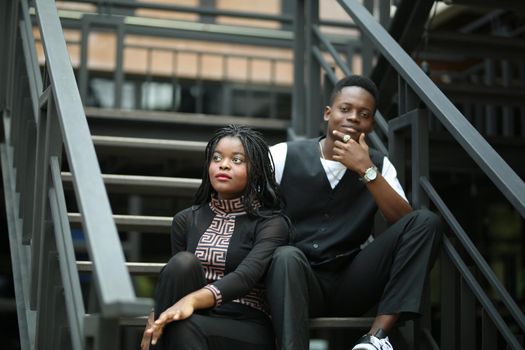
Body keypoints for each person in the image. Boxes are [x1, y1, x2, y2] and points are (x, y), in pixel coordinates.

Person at [266, 75, 442, 350]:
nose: (353, 118)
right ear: (328, 113)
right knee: (285, 256)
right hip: (295, 279)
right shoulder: (282, 155)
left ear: (371, 124)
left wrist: (365, 169)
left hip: (350, 281)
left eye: (364, 114)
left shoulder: (379, 165)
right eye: (344, 109)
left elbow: (406, 223)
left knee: (427, 221)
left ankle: (376, 340)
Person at [141, 124, 290, 350]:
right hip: (195, 318)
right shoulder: (186, 220)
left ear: (256, 171)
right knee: (182, 264)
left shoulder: (270, 223)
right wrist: (158, 316)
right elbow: (176, 282)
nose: (224, 165)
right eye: (217, 158)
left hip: (246, 322)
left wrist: (191, 300)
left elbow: (246, 276)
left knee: (184, 328)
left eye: (237, 160)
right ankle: (158, 334)